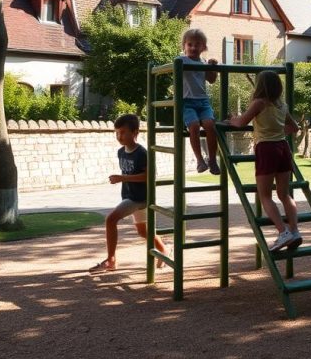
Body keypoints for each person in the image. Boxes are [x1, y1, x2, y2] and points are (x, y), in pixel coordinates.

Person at [228, 71, 302, 252]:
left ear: (260, 86)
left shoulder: (259, 103)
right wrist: (276, 130)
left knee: (265, 196)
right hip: (283, 148)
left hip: (266, 149)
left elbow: (241, 123)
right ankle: (295, 230)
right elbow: (294, 127)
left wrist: (231, 119)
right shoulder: (281, 105)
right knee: (284, 194)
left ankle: (283, 232)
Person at [89, 114, 168, 273]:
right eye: (117, 133)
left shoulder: (142, 153)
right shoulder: (121, 152)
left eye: (123, 132)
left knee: (111, 219)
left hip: (139, 198)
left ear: (135, 133)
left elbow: (148, 176)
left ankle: (111, 260)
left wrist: (122, 178)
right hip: (130, 195)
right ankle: (165, 250)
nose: (119, 136)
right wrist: (122, 179)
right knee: (142, 231)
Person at [178, 28, 219, 173]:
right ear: (184, 46)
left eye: (197, 45)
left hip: (203, 102)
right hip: (187, 101)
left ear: (204, 47)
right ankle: (200, 160)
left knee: (210, 125)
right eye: (190, 44)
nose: (193, 48)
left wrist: (212, 67)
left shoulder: (204, 62)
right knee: (194, 126)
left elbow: (212, 80)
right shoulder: (181, 60)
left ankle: (212, 159)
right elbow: (175, 68)